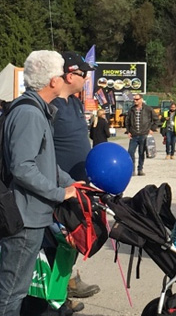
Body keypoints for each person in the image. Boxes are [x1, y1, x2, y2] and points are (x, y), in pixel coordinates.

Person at [0, 50, 79, 315]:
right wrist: (59, 193)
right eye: (60, 74)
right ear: (53, 81)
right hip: (24, 217)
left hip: (31, 214)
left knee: (16, 290)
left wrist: (73, 185)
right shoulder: (30, 114)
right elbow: (22, 167)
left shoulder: (37, 110)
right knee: (11, 292)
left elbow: (46, 162)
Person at [50, 51, 102, 312]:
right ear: (70, 75)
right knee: (60, 240)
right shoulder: (52, 107)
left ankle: (65, 288)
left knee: (74, 238)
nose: (87, 79)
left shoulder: (75, 103)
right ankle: (60, 294)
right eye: (84, 74)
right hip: (62, 187)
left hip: (80, 185)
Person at [124, 94, 158, 176]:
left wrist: (152, 129)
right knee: (130, 152)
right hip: (134, 135)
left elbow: (156, 120)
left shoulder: (148, 109)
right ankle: (132, 170)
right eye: (134, 99)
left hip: (144, 134)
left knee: (141, 153)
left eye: (137, 99)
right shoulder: (131, 110)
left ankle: (140, 169)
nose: (135, 101)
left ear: (141, 99)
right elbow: (127, 121)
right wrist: (128, 131)